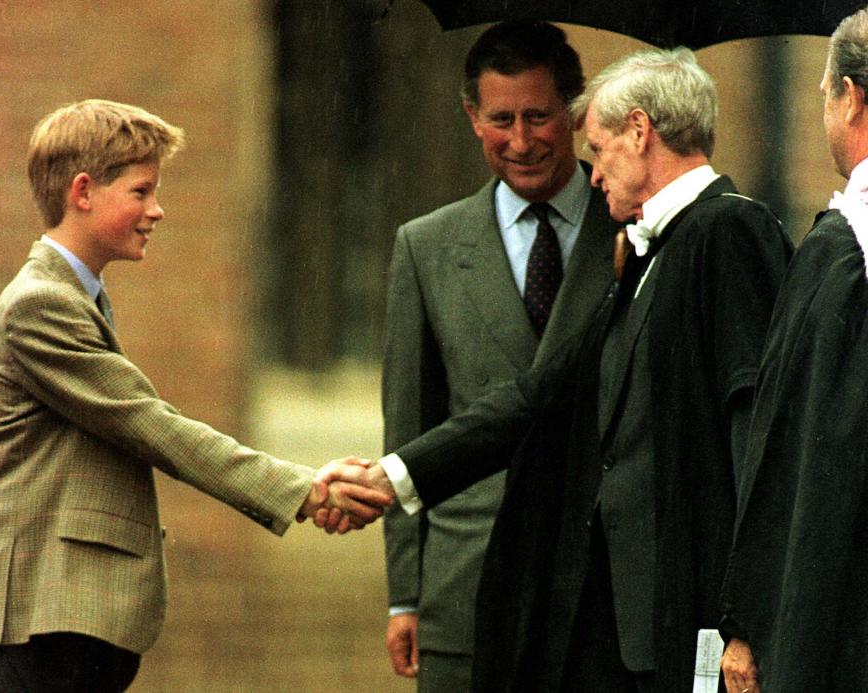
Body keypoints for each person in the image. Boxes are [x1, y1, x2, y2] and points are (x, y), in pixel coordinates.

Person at [323, 47, 792, 692]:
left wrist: (745, 620)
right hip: (620, 627)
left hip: (690, 624)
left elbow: (758, 439)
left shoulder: (730, 230)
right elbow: (543, 394)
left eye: (597, 151)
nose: (593, 176)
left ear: (638, 132)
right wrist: (393, 476)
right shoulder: (653, 246)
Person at [0, 99, 390, 693]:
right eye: (141, 191)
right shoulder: (40, 303)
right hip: (31, 626)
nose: (157, 210)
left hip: (55, 630)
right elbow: (151, 425)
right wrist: (304, 491)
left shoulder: (74, 297)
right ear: (83, 191)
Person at [380, 21, 618, 691]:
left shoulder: (633, 228)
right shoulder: (425, 248)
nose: (521, 141)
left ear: (575, 113)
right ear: (470, 117)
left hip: (596, 593)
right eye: (500, 119)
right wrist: (406, 593)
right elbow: (410, 428)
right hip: (466, 588)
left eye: (539, 117)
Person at [719, 9, 868, 692]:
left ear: (851, 96)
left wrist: (749, 620)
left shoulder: (841, 256)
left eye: (825, 96)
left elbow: (793, 453)